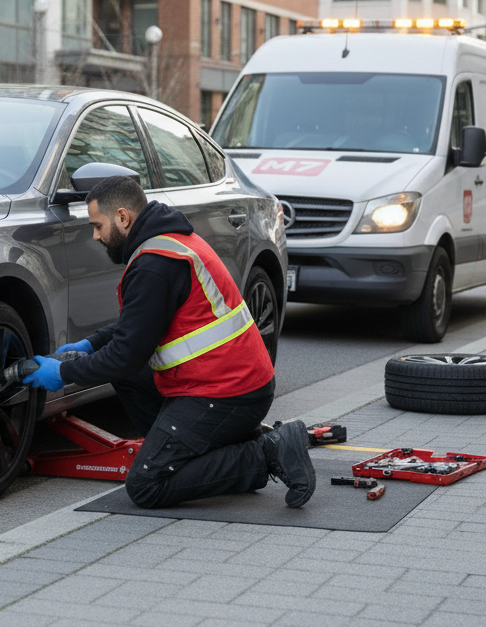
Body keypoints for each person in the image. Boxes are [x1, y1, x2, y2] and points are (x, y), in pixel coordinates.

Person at [24, 175, 315, 509]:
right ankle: (190, 447)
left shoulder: (155, 264)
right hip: (226, 382)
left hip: (228, 393)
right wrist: (91, 344)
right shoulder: (167, 241)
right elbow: (140, 325)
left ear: (122, 217)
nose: (96, 236)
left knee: (147, 484)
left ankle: (268, 451)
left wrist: (62, 374)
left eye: (98, 225)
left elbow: (126, 355)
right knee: (125, 374)